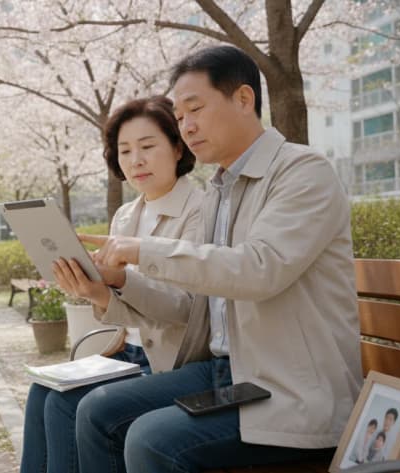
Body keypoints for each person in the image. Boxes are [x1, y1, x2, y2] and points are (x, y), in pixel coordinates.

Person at [75, 45, 362, 473]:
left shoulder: (303, 172)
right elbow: (193, 307)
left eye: (195, 110)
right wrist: (116, 281)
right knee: (95, 411)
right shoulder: (221, 191)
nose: (186, 127)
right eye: (179, 114)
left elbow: (258, 269)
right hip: (225, 375)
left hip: (290, 392)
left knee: (151, 440)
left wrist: (141, 249)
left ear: (244, 100)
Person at [19, 96, 210, 473]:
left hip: (173, 363)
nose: (135, 160)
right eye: (124, 150)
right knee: (43, 391)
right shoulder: (126, 215)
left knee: (65, 404)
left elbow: (188, 309)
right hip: (126, 356)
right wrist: (96, 291)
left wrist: (121, 280)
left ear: (177, 147)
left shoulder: (199, 211)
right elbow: (124, 309)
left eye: (147, 146)